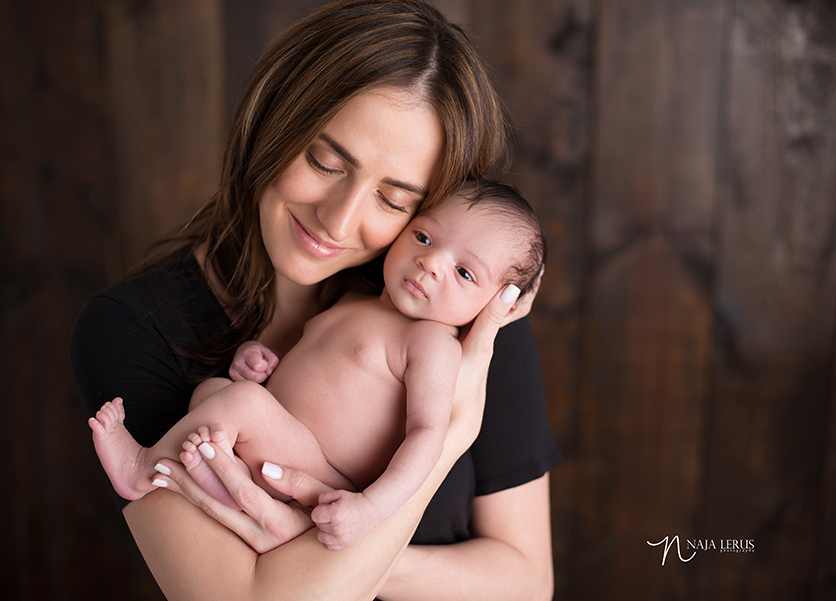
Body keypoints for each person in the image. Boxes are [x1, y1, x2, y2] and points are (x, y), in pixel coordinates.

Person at [70, 1, 561, 599]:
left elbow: (526, 584)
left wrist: (445, 438)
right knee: (218, 394)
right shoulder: (133, 328)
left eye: (394, 200)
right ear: (272, 121)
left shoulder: (459, 314)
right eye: (325, 162)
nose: (338, 219)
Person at [88, 181, 548, 552]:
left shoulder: (433, 344)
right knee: (214, 393)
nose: (430, 263)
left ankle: (142, 467)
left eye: (464, 273)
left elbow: (427, 434)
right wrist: (259, 363)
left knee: (240, 403)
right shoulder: (351, 299)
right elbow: (315, 372)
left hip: (322, 473)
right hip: (280, 442)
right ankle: (219, 481)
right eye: (424, 237)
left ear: (495, 304)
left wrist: (370, 508)